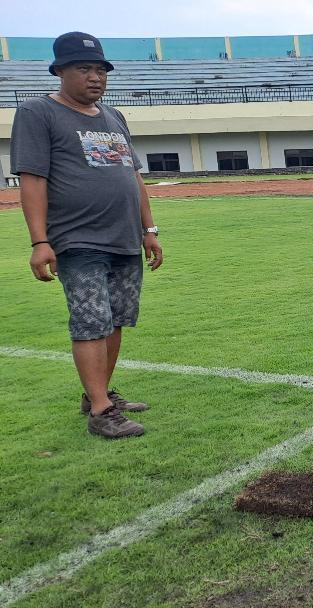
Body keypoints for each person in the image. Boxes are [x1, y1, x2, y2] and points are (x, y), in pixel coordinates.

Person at [12, 32, 163, 439]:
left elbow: (133, 176)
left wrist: (149, 229)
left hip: (124, 239)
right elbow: (32, 179)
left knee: (115, 320)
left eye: (100, 69)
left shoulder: (114, 117)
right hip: (78, 239)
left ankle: (99, 395)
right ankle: (100, 412)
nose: (95, 77)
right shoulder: (37, 113)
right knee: (90, 321)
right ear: (60, 71)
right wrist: (40, 241)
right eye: (84, 68)